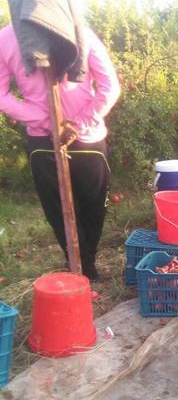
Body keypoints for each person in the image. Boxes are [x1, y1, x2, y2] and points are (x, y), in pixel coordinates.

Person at [0, 24, 121, 281]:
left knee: (93, 204)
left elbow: (110, 85)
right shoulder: (7, 38)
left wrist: (77, 124)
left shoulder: (79, 31)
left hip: (86, 135)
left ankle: (85, 259)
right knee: (58, 209)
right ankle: (82, 269)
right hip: (43, 137)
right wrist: (43, 119)